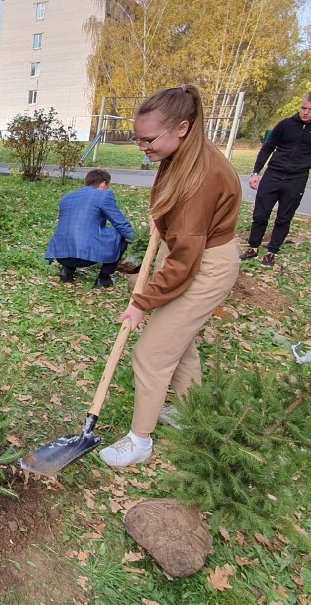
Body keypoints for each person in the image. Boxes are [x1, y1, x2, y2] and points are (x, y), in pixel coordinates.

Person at [98, 85, 242, 468]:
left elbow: (184, 262)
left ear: (182, 128)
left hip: (205, 266)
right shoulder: (182, 154)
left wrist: (142, 303)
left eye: (149, 140)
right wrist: (163, 220)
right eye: (138, 138)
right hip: (186, 253)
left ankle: (139, 440)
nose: (142, 147)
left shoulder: (204, 175)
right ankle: (191, 412)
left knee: (150, 354)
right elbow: (180, 228)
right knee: (179, 341)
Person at [240, 93, 311, 267]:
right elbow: (267, 148)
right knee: (260, 215)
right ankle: (253, 247)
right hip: (272, 176)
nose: (305, 112)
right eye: (303, 108)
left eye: (310, 110)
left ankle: (271, 252)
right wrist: (256, 172)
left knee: (283, 219)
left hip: (296, 180)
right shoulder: (285, 125)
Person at [44, 168, 136, 289]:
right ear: (103, 184)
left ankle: (67, 270)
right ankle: (104, 278)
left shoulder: (67, 197)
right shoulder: (104, 195)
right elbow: (121, 224)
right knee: (120, 232)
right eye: (107, 185)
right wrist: (139, 243)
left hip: (61, 255)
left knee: (74, 229)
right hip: (86, 258)